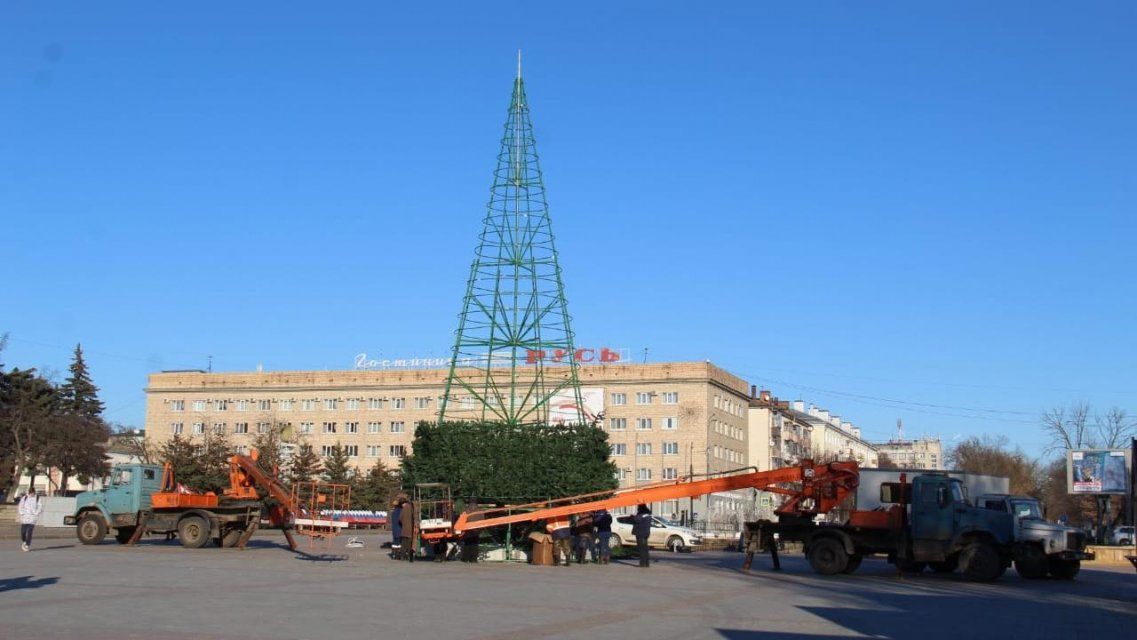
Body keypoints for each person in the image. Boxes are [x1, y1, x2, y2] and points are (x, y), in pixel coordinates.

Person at [399, 497, 416, 563]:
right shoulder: (411, 508)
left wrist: (403, 523)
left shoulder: (403, 509)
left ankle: (403, 556)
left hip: (404, 529)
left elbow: (400, 518)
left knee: (403, 543)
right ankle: (409, 556)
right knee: (409, 544)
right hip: (410, 529)